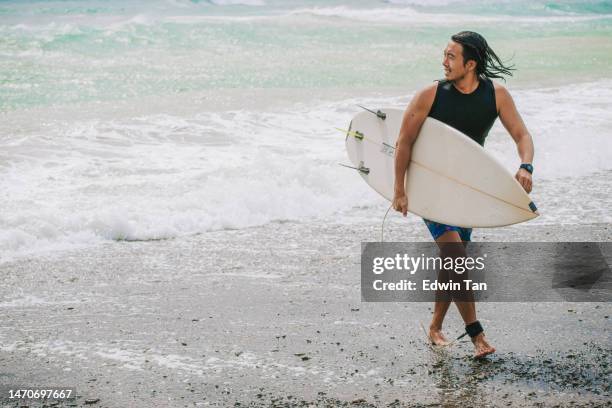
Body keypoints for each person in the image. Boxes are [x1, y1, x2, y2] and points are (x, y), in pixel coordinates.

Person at [392, 31, 535, 358]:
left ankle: (435, 327)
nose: (443, 62)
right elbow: (404, 142)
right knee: (456, 255)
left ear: (470, 64)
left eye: (451, 57)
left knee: (451, 261)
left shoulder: (496, 96)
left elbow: (522, 134)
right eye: (444, 54)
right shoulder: (430, 95)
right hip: (430, 189)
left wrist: (526, 165)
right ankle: (476, 334)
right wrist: (399, 189)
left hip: (468, 192)